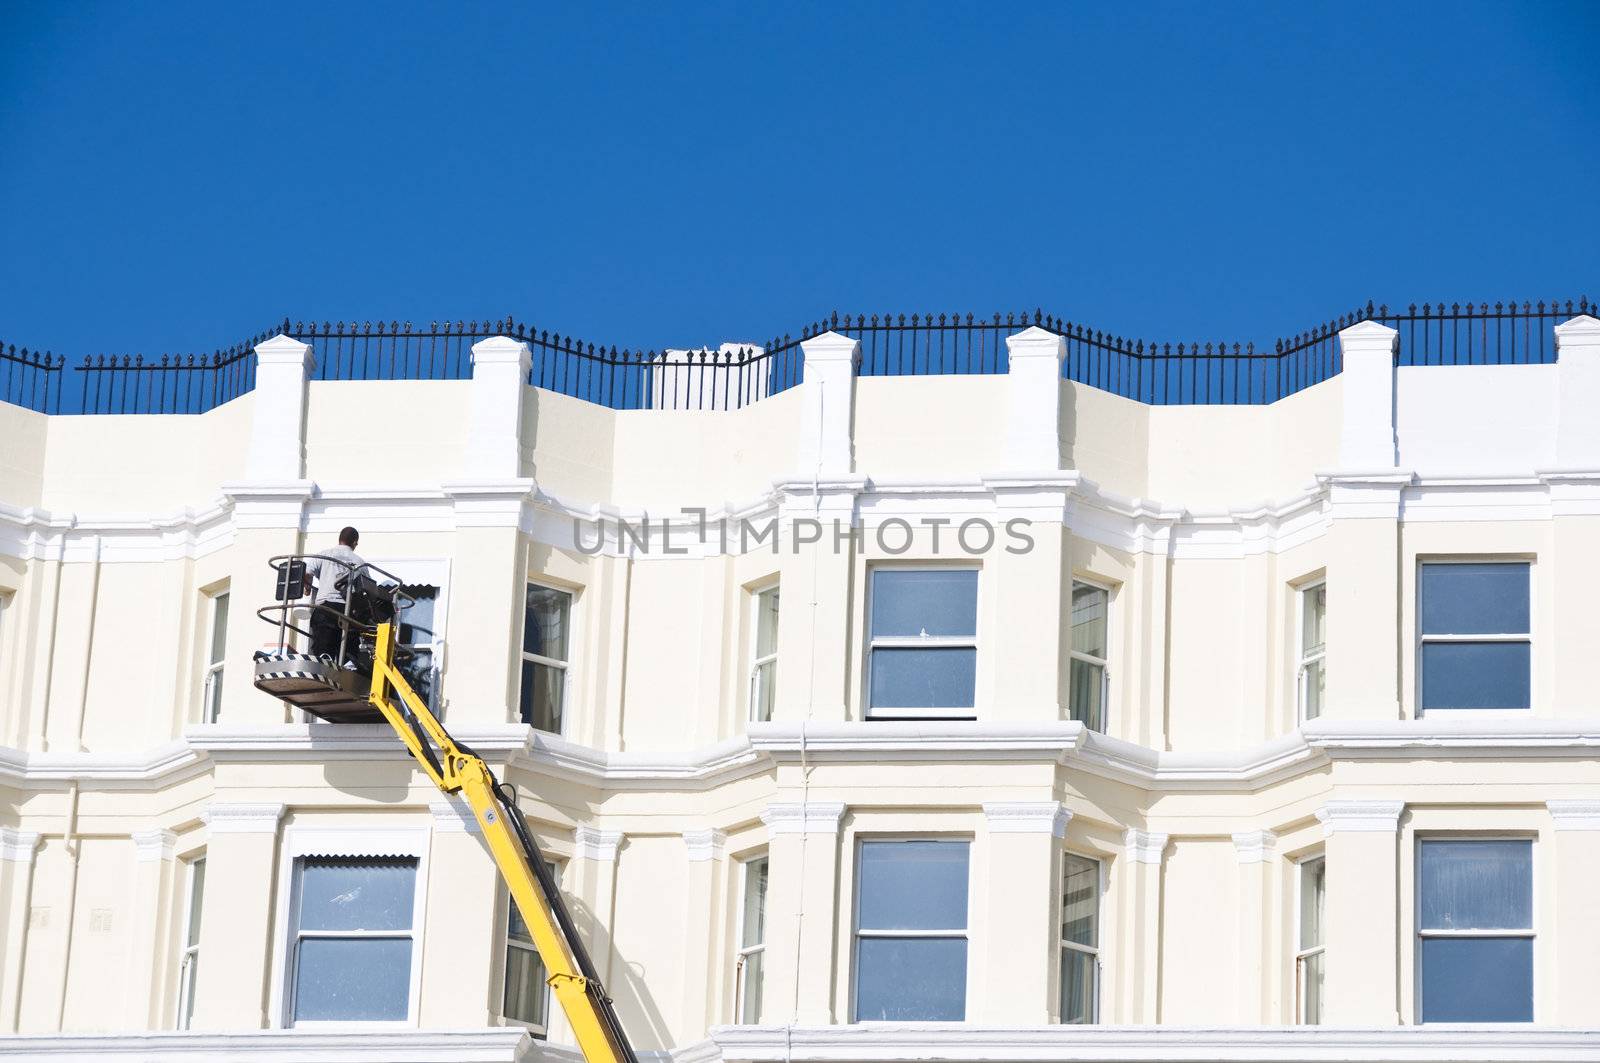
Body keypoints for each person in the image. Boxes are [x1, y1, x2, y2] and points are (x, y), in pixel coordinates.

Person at [304, 526, 366, 666]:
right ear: (355, 542)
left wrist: (307, 588)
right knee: (348, 645)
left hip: (326, 608)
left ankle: (324, 660)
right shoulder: (360, 562)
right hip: (348, 610)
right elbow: (366, 588)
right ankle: (349, 664)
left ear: (339, 539)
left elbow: (307, 573)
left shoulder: (324, 555)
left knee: (324, 644)